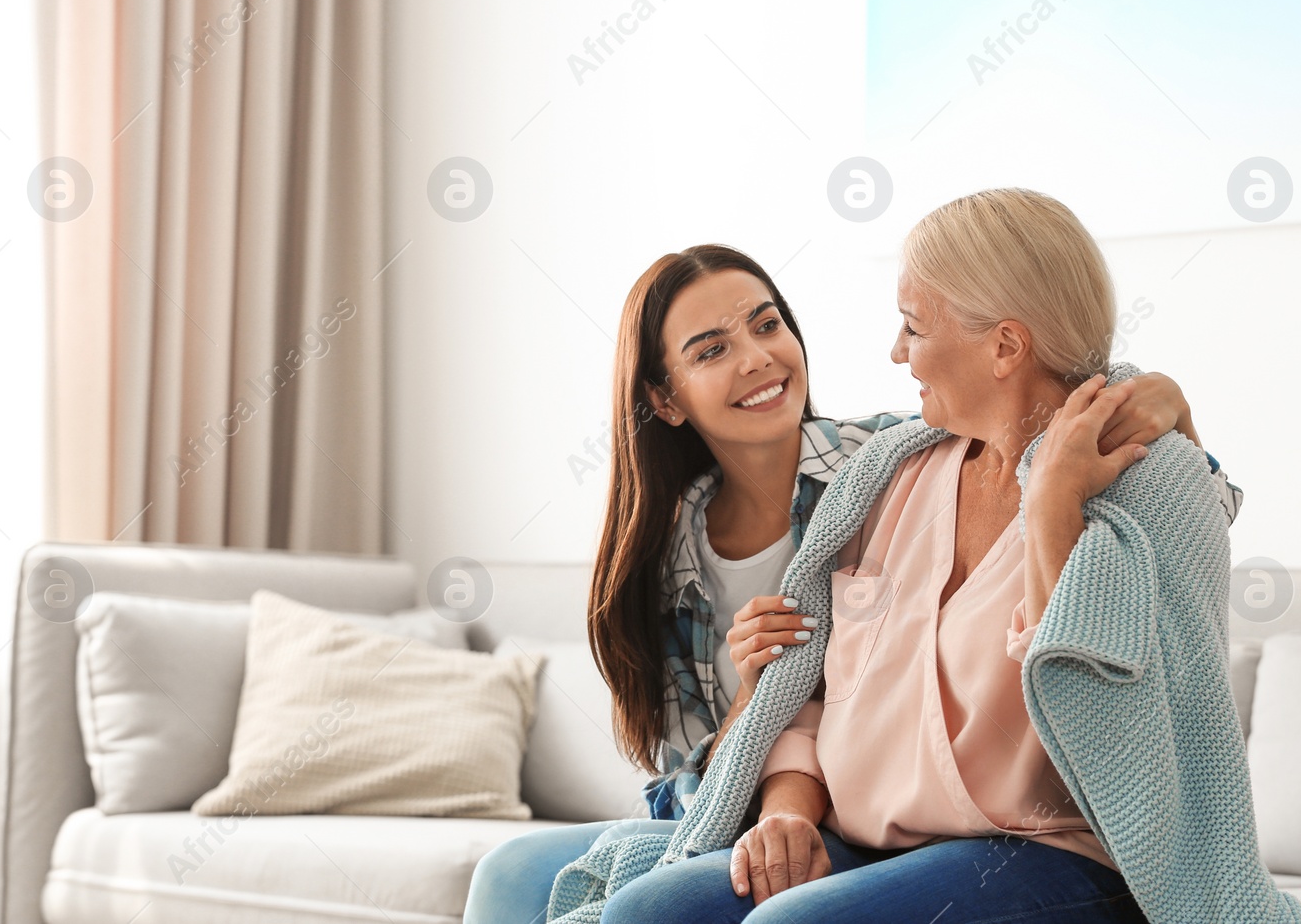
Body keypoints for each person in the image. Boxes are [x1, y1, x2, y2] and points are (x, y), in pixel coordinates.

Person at [462, 239, 1237, 924]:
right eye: (710, 350)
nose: (758, 358)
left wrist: (1160, 399)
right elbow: (699, 775)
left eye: (766, 325)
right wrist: (757, 702)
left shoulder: (884, 455)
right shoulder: (668, 554)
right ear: (664, 399)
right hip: (750, 803)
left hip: (986, 829)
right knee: (532, 877)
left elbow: (1072, 412)